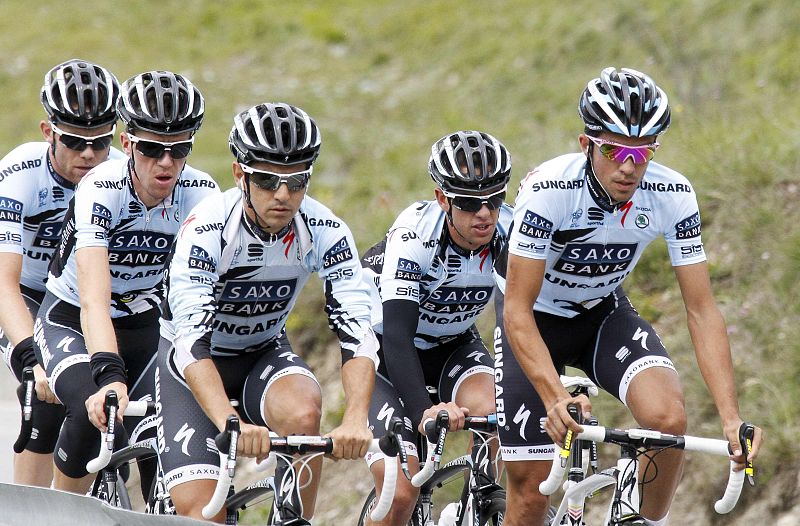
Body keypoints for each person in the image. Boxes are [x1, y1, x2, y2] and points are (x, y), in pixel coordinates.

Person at [496, 67, 764, 526]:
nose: (628, 166)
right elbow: (517, 309)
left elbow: (701, 310)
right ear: (586, 144)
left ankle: (645, 521)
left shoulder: (672, 193)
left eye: (642, 153)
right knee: (531, 493)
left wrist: (730, 417)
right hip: (534, 319)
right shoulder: (549, 190)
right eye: (613, 149)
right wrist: (555, 396)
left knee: (668, 421)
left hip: (602, 311)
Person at [156, 102, 378, 523]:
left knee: (304, 414)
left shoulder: (325, 229)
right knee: (205, 515)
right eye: (266, 179)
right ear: (240, 174)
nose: (282, 194)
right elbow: (190, 342)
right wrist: (230, 421)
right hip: (192, 363)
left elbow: (358, 330)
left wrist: (355, 418)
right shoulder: (208, 228)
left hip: (262, 351)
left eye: (297, 181)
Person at [33, 70, 219, 495]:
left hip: (146, 320)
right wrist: (109, 376)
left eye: (179, 149)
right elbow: (93, 301)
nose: (166, 163)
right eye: (152, 148)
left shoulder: (203, 194)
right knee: (93, 413)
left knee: (164, 432)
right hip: (72, 319)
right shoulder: (100, 189)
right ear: (127, 143)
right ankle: (67, 514)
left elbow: (204, 293)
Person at [360, 130, 513, 525]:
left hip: (453, 343)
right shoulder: (414, 234)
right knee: (401, 493)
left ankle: (479, 503)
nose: (485, 213)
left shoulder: (510, 231)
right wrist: (424, 411)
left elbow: (522, 320)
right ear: (443, 199)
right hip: (383, 350)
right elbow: (397, 337)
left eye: (495, 199)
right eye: (469, 202)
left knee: (498, 411)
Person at [0, 58, 123, 487]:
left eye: (101, 141)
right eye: (73, 141)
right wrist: (31, 359)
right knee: (45, 394)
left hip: (80, 296)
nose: (89, 154)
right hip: (26, 291)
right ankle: (27, 511)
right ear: (47, 132)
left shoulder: (121, 175)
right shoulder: (20, 174)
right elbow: (4, 283)